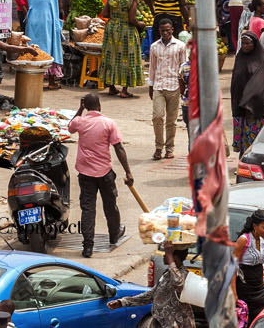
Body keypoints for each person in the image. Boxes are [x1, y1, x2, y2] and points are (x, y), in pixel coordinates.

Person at [68, 92, 133, 259]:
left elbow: (70, 126)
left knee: (88, 208)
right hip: (105, 172)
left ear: (86, 106)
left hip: (85, 173)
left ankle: (87, 246)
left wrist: (80, 109)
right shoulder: (108, 123)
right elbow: (119, 148)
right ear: (100, 106)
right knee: (110, 205)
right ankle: (114, 234)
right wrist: (128, 171)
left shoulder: (80, 121)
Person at [111, 241, 188, 328]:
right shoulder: (167, 274)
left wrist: (170, 256)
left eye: (167, 254)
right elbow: (151, 295)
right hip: (160, 322)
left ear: (175, 258)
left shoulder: (183, 274)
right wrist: (123, 302)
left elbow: (178, 283)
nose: (164, 255)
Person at [99, 0, 144, 97]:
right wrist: (141, 25)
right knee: (127, 57)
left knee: (111, 56)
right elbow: (132, 19)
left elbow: (106, 14)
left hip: (112, 29)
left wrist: (116, 16)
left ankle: (111, 87)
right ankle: (124, 90)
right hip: (127, 30)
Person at [147, 19, 188, 160]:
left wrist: (184, 87)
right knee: (157, 116)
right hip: (159, 85)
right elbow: (152, 67)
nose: (165, 33)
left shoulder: (180, 46)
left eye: (167, 30)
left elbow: (184, 68)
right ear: (159, 31)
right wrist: (150, 86)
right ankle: (158, 147)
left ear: (172, 30)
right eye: (162, 30)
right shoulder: (154, 47)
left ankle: (169, 148)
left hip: (174, 86)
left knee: (171, 121)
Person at [231, 30, 264, 155]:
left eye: (247, 43)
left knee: (254, 138)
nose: (244, 46)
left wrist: (249, 102)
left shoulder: (262, 60)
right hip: (240, 105)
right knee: (244, 139)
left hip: (254, 107)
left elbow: (262, 83)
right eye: (242, 43)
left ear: (254, 44)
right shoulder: (240, 57)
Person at [24, 0, 64, 91]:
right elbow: (60, 4)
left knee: (34, 48)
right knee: (49, 48)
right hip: (47, 20)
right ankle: (51, 82)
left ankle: (34, 81)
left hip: (32, 20)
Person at [234, 209, 264, 324]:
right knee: (248, 321)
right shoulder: (244, 240)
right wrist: (234, 293)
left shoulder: (262, 240)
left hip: (259, 288)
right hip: (245, 289)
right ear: (255, 226)